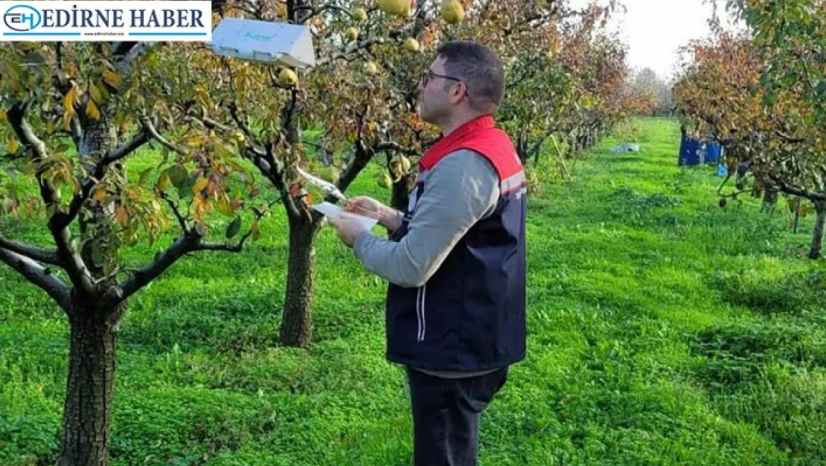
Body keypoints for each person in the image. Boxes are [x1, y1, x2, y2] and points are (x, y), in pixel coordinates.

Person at [328, 40, 527, 466]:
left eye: (430, 77)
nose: (421, 86)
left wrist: (356, 239)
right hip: (473, 333)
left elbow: (411, 266)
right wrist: (389, 217)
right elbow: (464, 236)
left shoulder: (465, 165)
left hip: (452, 346)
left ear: (457, 91)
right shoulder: (486, 147)